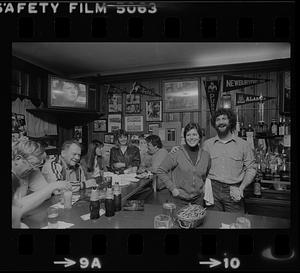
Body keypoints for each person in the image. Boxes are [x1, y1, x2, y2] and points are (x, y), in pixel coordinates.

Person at [202, 108, 257, 212]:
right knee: (213, 222)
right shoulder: (207, 145)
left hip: (234, 190)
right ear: (214, 123)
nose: (221, 122)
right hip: (212, 190)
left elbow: (251, 168)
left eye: (224, 119)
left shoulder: (243, 145)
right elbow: (198, 163)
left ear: (230, 121)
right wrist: (179, 149)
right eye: (218, 119)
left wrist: (241, 188)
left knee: (235, 223)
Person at [12, 139, 72, 228]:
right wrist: (52, 186)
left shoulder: (31, 169)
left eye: (37, 165)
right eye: (32, 163)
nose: (33, 168)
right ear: (18, 158)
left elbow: (46, 194)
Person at [157, 123, 211, 208]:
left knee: (196, 220)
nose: (191, 137)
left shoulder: (206, 155)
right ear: (185, 138)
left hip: (198, 200)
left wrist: (203, 188)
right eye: (188, 135)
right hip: (179, 199)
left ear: (199, 137)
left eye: (194, 134)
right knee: (178, 220)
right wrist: (173, 189)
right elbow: (161, 171)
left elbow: (207, 174)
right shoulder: (177, 153)